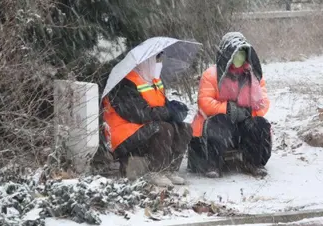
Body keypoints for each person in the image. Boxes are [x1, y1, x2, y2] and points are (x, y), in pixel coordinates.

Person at [188, 32, 272, 178]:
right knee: (220, 122)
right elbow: (204, 102)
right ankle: (213, 164)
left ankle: (254, 163)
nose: (240, 57)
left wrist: (247, 111)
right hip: (216, 124)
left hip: (242, 125)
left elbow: (263, 103)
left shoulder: (254, 75)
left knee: (259, 124)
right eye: (236, 53)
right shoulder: (211, 75)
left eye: (242, 53)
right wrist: (227, 109)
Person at [102, 51, 192, 187]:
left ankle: (169, 170)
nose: (159, 63)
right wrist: (168, 112)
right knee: (163, 128)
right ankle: (156, 171)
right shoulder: (124, 83)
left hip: (142, 129)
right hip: (122, 134)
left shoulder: (152, 80)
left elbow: (160, 105)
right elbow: (139, 114)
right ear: (145, 61)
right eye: (156, 59)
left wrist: (174, 108)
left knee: (184, 128)